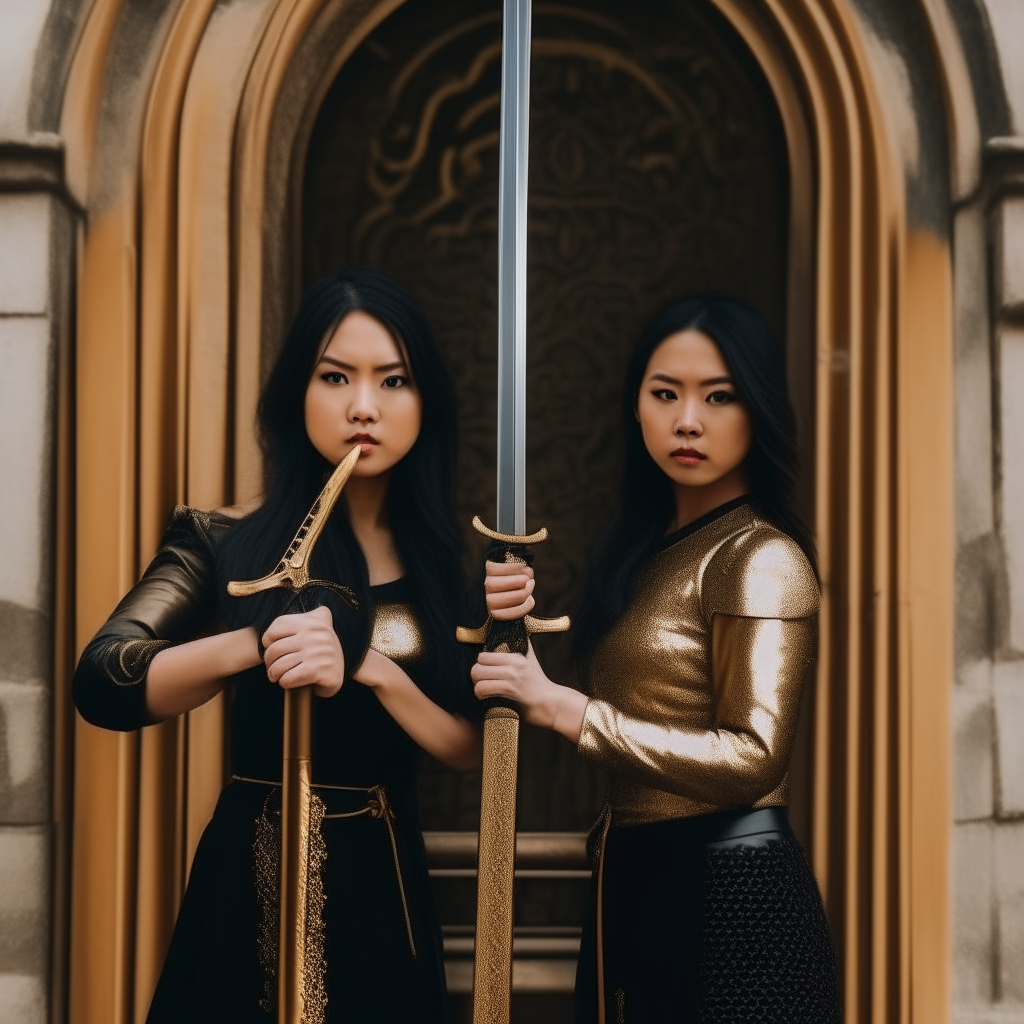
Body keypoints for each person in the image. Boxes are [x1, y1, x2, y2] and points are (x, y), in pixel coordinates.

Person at [74, 268, 480, 1024]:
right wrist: (252, 644)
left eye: (393, 381)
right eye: (336, 378)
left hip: (382, 888)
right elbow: (104, 680)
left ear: (427, 404)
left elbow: (472, 748)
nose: (364, 407)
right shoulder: (220, 539)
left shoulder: (444, 565)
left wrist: (369, 669)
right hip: (249, 872)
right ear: (299, 392)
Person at [473, 295, 841, 1023]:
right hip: (636, 876)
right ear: (635, 405)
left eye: (719, 396)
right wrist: (511, 624)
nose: (688, 421)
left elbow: (754, 755)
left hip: (733, 894)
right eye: (665, 393)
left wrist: (565, 709)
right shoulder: (643, 554)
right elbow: (648, 693)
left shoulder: (758, 555)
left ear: (757, 409)